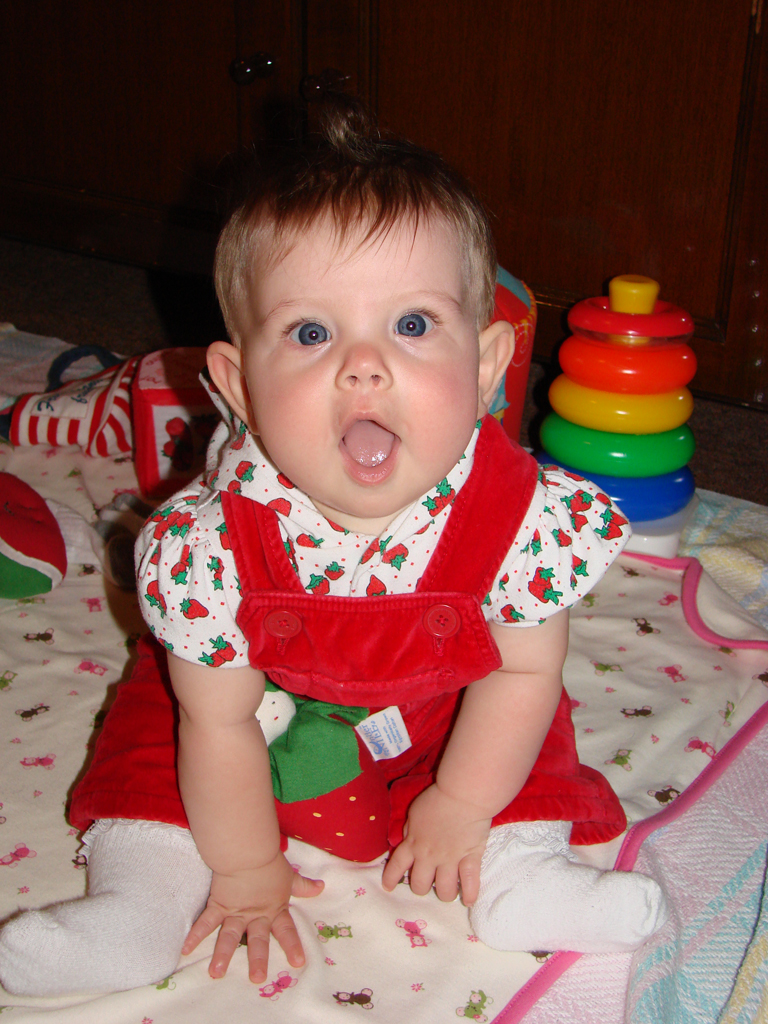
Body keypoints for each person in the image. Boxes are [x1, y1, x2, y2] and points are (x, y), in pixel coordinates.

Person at [0, 99, 667, 997]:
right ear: (238, 386)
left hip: (440, 712)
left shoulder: (518, 518)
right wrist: (245, 868)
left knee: (533, 723)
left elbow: (521, 673)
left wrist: (461, 803)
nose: (364, 365)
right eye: (312, 334)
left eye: (413, 325)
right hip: (251, 720)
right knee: (157, 724)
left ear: (485, 367)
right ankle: (141, 899)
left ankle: (521, 871)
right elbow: (220, 724)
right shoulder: (211, 547)